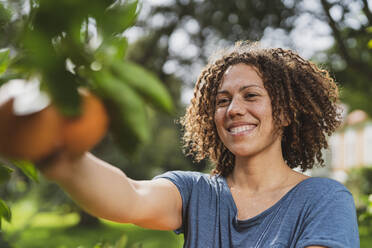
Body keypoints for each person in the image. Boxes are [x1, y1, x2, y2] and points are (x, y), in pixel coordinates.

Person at [41, 41, 359, 248]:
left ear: (286, 113)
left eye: (251, 96)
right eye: (223, 101)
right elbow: (130, 196)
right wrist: (61, 157)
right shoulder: (195, 192)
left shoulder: (326, 200)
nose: (233, 109)